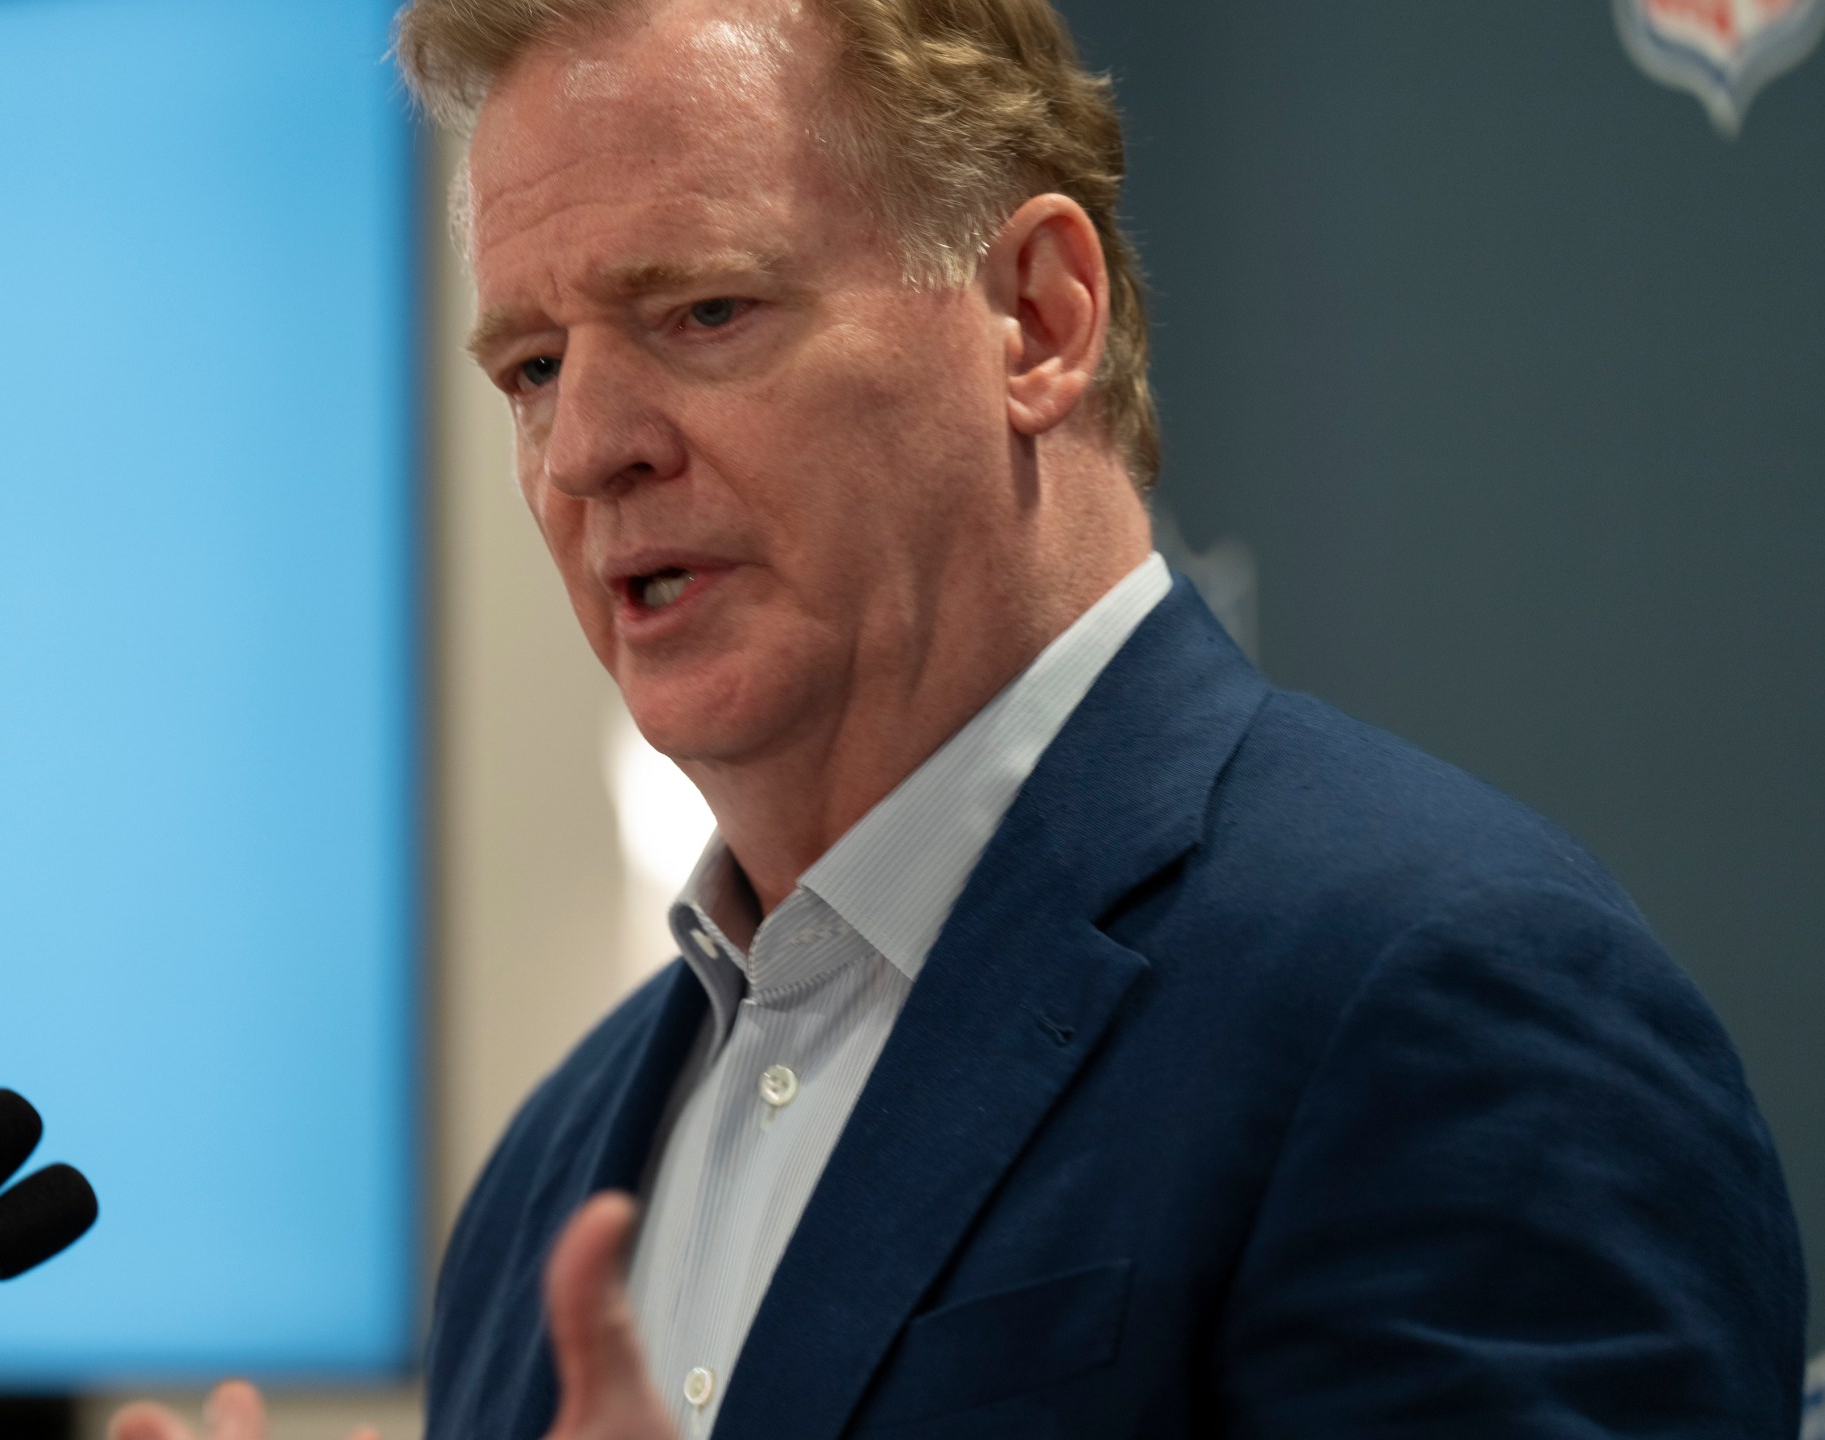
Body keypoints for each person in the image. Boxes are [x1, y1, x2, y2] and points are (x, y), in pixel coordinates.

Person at [116, 0, 1807, 1436]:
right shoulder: (546, 1192)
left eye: (702, 311)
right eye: (534, 366)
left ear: (1038, 319)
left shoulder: (1442, 996)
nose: (587, 452)